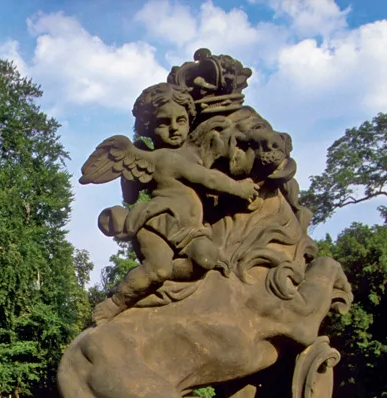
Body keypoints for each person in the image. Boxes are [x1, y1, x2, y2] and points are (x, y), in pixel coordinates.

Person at [81, 83, 260, 324]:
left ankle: (153, 286)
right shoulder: (165, 158)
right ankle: (118, 302)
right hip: (158, 223)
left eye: (181, 120)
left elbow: (131, 197)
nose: (174, 128)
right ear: (149, 127)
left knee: (206, 259)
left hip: (189, 231)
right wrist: (241, 189)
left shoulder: (183, 153)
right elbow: (207, 179)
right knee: (158, 268)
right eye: (164, 123)